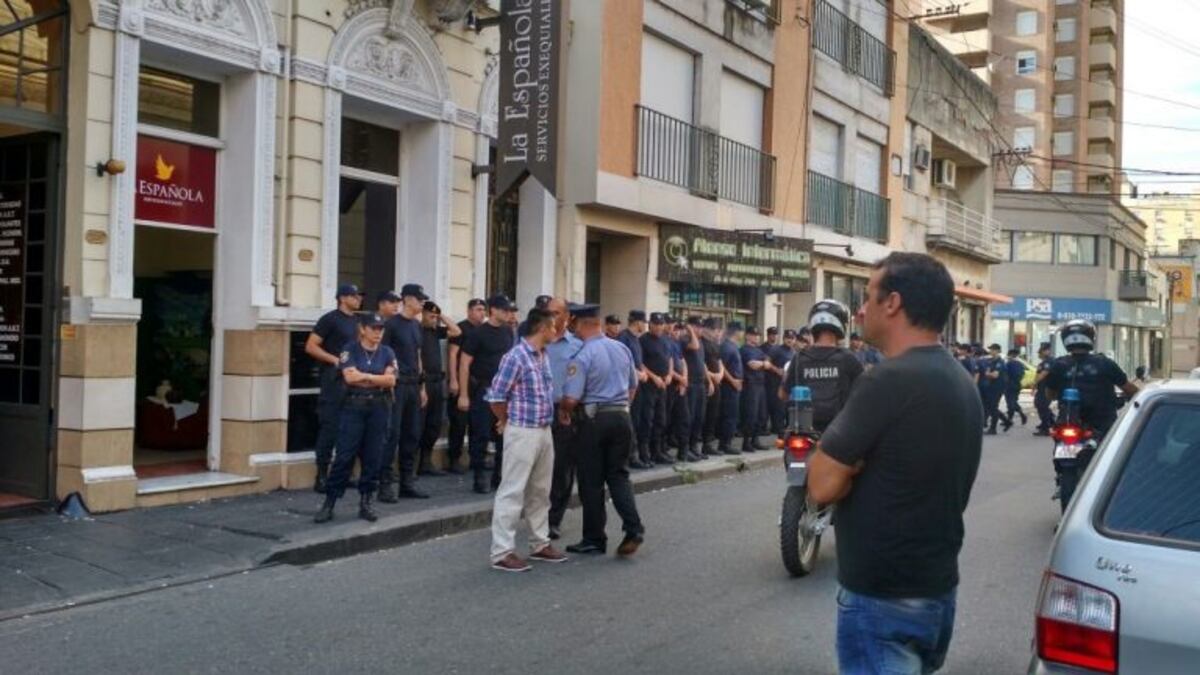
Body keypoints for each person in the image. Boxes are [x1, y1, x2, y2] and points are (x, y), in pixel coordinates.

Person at [806, 252, 982, 675]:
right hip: (935, 589)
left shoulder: (887, 380)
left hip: (882, 598)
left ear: (893, 303)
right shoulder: (961, 380)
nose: (861, 310)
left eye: (867, 296)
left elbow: (821, 485)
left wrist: (851, 466)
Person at [559, 303, 645, 557]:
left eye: (572, 323)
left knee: (591, 481)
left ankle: (594, 539)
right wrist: (621, 406)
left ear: (579, 323)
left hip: (594, 420)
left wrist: (564, 409)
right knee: (619, 476)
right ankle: (634, 529)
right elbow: (633, 385)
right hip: (621, 416)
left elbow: (572, 399)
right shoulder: (621, 348)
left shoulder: (583, 355)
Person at [484, 308, 567, 572]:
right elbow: (497, 396)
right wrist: (507, 420)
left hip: (543, 429)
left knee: (541, 491)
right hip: (522, 430)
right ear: (543, 328)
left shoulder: (543, 356)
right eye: (554, 327)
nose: (557, 332)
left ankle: (539, 543)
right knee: (512, 490)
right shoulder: (516, 357)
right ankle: (501, 552)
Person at [314, 312, 397, 524]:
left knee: (373, 456)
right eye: (373, 329)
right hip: (354, 406)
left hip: (378, 406)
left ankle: (366, 501)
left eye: (381, 329)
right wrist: (375, 378)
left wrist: (366, 376)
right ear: (363, 329)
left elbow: (390, 380)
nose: (378, 333)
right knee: (344, 456)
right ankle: (330, 502)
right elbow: (349, 377)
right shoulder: (350, 349)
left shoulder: (387, 352)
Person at [304, 283, 364, 493]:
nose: (359, 299)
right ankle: (321, 476)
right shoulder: (330, 319)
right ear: (343, 298)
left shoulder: (357, 321)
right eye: (355, 296)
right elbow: (311, 346)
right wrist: (334, 360)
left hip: (353, 379)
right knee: (330, 427)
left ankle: (343, 474)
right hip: (333, 380)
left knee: (349, 429)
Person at [377, 283, 432, 501]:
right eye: (419, 299)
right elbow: (383, 355)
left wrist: (422, 386)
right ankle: (385, 484)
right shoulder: (390, 325)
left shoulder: (417, 326)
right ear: (407, 299)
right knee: (392, 434)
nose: (422, 303)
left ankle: (407, 482)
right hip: (396, 385)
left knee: (412, 434)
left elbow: (418, 356)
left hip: (413, 385)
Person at [1044, 319, 1139, 442]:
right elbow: (1129, 388)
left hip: (1068, 421)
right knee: (1114, 449)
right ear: (1091, 337)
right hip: (1101, 423)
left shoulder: (1058, 365)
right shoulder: (1105, 363)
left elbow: (1049, 395)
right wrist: (1140, 396)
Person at [458, 294, 516, 493]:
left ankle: (499, 477)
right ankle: (479, 476)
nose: (508, 313)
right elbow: (465, 363)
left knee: (504, 435)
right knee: (481, 434)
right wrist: (463, 394)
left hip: (505, 391)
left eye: (509, 310)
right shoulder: (478, 333)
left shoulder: (509, 332)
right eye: (504, 310)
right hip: (483, 389)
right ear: (493, 310)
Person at [780, 300, 863, 432]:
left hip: (803, 427)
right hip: (839, 429)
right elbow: (865, 392)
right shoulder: (848, 358)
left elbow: (783, 394)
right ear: (841, 324)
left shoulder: (799, 358)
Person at [545, 298, 583, 541]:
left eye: (556, 313)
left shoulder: (577, 346)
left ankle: (553, 519)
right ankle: (536, 512)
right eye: (548, 312)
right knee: (537, 467)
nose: (551, 317)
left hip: (565, 411)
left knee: (561, 467)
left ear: (568, 317)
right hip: (536, 410)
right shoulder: (536, 342)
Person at [416, 301, 462, 476]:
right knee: (419, 423)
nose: (434, 319)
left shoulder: (435, 331)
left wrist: (441, 316)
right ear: (422, 314)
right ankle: (414, 463)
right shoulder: (417, 330)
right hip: (424, 381)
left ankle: (426, 462)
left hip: (437, 382)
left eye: (436, 317)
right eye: (431, 315)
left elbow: (457, 331)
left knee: (434, 424)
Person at [446, 298, 486, 472]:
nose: (481, 313)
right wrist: (454, 380)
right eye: (478, 309)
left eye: (483, 310)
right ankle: (454, 458)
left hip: (478, 382)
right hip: (462, 381)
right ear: (469, 311)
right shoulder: (461, 328)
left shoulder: (484, 330)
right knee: (459, 422)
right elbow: (453, 355)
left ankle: (475, 458)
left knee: (477, 423)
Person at [638, 313, 675, 465]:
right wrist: (654, 377)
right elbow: (640, 363)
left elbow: (670, 358)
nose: (659, 327)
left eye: (661, 324)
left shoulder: (665, 340)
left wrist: (670, 374)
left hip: (664, 385)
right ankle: (644, 452)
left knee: (661, 419)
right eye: (656, 324)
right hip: (649, 386)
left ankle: (657, 451)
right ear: (650, 324)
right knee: (647, 419)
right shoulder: (643, 340)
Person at [619, 310, 651, 468]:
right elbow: (622, 363)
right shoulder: (624, 338)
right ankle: (630, 456)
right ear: (637, 322)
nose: (645, 325)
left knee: (638, 421)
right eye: (643, 322)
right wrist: (638, 374)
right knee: (628, 423)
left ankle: (635, 454)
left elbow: (638, 362)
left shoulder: (636, 339)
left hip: (638, 387)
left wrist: (643, 372)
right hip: (627, 388)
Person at [667, 321, 700, 462]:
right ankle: (660, 451)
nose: (678, 332)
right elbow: (667, 366)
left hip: (680, 387)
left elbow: (683, 360)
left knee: (684, 419)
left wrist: (684, 379)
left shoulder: (678, 343)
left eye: (679, 330)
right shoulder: (665, 342)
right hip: (669, 387)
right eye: (675, 329)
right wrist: (680, 379)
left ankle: (683, 451)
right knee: (665, 421)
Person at [738, 326, 771, 453]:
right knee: (750, 414)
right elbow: (752, 365)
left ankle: (755, 440)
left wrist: (762, 363)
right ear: (747, 336)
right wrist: (763, 364)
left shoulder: (758, 350)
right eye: (753, 335)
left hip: (760, 384)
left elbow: (767, 360)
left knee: (761, 414)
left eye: (758, 335)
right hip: (750, 385)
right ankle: (746, 442)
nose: (757, 337)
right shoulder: (745, 350)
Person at [680, 317, 708, 461]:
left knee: (699, 417)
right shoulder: (685, 339)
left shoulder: (701, 341)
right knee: (688, 418)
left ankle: (694, 447)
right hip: (690, 384)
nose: (700, 329)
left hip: (700, 383)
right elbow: (694, 347)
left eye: (701, 327)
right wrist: (690, 331)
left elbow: (702, 363)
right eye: (697, 327)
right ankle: (684, 450)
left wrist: (709, 380)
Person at [717, 322, 745, 455]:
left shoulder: (734, 346)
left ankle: (727, 442)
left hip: (735, 386)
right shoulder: (727, 346)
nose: (742, 334)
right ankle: (724, 444)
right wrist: (732, 380)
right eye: (741, 331)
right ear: (737, 332)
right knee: (728, 415)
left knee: (733, 415)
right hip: (729, 386)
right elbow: (722, 366)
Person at [700, 317, 726, 456]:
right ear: (707, 329)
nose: (717, 333)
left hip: (717, 382)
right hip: (706, 383)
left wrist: (720, 373)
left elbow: (719, 360)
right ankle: (701, 443)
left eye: (718, 330)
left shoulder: (715, 344)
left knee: (713, 414)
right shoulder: (701, 343)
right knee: (704, 414)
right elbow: (701, 363)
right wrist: (710, 376)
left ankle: (708, 443)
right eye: (715, 330)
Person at [765, 329, 796, 438]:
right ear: (783, 338)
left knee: (789, 412)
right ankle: (780, 436)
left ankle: (787, 435)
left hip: (790, 387)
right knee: (779, 411)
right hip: (776, 385)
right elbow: (766, 362)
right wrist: (777, 370)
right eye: (788, 338)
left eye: (792, 338)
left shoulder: (794, 352)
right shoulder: (776, 349)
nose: (790, 340)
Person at [980, 343, 1009, 435]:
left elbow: (995, 375)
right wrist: (988, 374)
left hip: (998, 387)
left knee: (993, 407)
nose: (990, 351)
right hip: (991, 386)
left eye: (992, 349)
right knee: (990, 406)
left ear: (997, 351)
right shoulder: (991, 361)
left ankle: (993, 428)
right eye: (990, 349)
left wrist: (988, 374)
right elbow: (988, 372)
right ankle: (1007, 421)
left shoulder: (999, 362)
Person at [1032, 342, 1055, 436]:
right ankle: (1051, 422)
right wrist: (1034, 385)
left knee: (1042, 406)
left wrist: (1035, 382)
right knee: (1039, 404)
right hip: (1042, 387)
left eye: (1042, 351)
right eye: (1040, 352)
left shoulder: (1050, 361)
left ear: (1048, 351)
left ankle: (1046, 428)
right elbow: (1037, 374)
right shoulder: (1043, 362)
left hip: (1047, 388)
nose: (1040, 354)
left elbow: (1044, 373)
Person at [1004, 349, 1028, 427]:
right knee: (1013, 401)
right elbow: (1023, 374)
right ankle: (1018, 416)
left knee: (1010, 402)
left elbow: (1005, 374)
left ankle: (1010, 419)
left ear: (1010, 355)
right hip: (1017, 385)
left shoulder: (1009, 364)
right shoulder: (1020, 364)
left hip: (1009, 385)